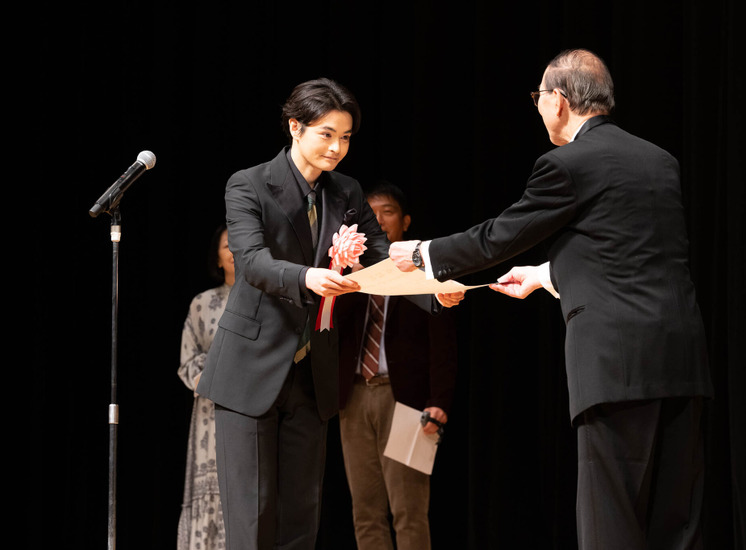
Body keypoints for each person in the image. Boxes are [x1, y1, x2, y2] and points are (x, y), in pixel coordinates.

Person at [389, 49, 713, 550]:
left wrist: (422, 253)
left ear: (559, 101)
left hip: (616, 366)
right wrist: (545, 274)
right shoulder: (658, 159)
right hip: (681, 360)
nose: (538, 107)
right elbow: (633, 253)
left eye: (538, 97)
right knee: (675, 526)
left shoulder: (566, 164)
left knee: (613, 523)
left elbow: (497, 237)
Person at [195, 78, 402, 550]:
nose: (337, 147)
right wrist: (307, 277)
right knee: (252, 520)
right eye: (326, 134)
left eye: (346, 137)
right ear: (295, 127)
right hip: (251, 372)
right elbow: (251, 261)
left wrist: (431, 291)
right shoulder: (248, 183)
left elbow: (382, 256)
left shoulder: (346, 192)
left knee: (300, 522)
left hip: (312, 375)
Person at [336, 182, 458, 550]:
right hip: (354, 397)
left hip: (408, 400)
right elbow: (333, 331)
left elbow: (444, 345)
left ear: (404, 222)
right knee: (366, 511)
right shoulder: (352, 273)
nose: (379, 219)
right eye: (371, 214)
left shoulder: (424, 273)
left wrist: (440, 400)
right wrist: (347, 276)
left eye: (387, 211)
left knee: (409, 509)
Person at [177, 223, 234, 550]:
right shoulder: (202, 303)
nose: (234, 251)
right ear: (217, 257)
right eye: (227, 245)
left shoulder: (266, 301)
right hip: (210, 412)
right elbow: (189, 359)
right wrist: (215, 380)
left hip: (253, 407)